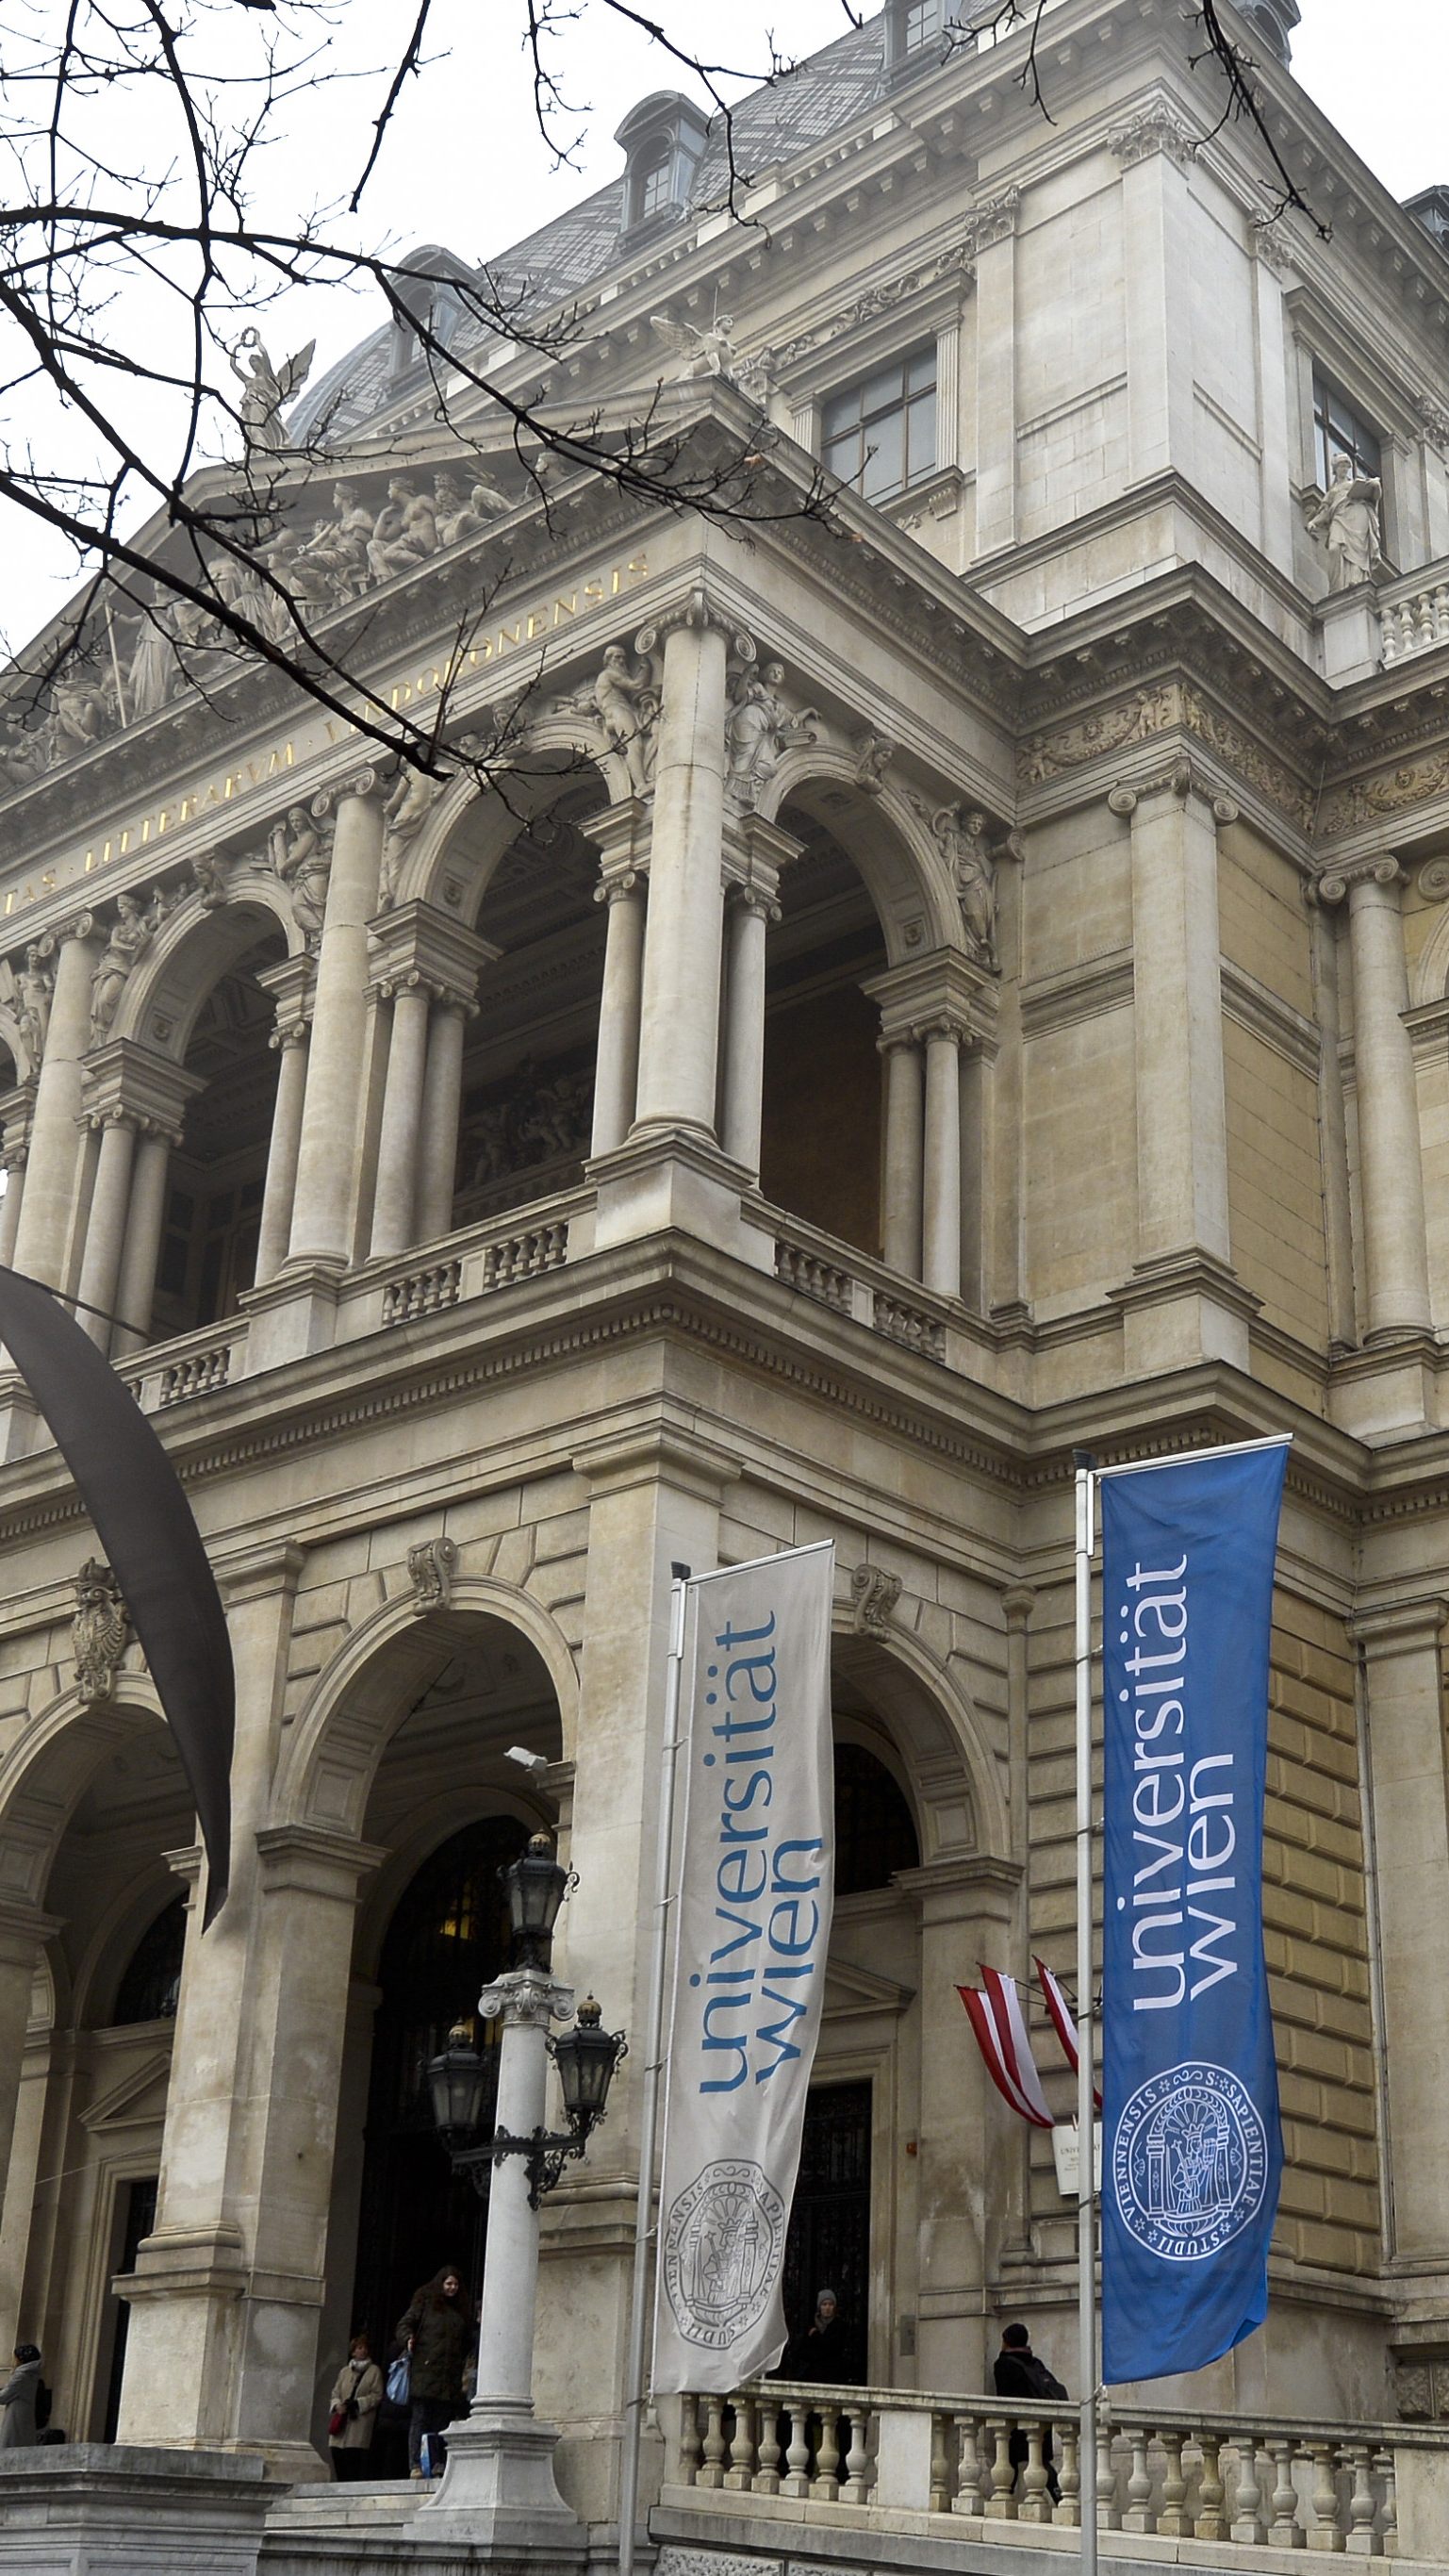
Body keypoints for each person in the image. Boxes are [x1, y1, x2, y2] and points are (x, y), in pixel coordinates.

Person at [395, 2265, 469, 2479]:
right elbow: (404, 2324)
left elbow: (465, 2343)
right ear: (441, 2284)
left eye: (455, 2284)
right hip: (425, 2373)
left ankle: (437, 2463)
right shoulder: (425, 2304)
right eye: (448, 2284)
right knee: (420, 2420)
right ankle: (415, 2464)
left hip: (448, 2378)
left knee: (442, 2423)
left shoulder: (460, 2311)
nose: (452, 2288)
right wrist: (408, 2338)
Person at [994, 2320, 1064, 2503]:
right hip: (1041, 2421)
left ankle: (1004, 2497)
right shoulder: (1034, 2362)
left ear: (1007, 2341)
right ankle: (1061, 2497)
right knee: (1042, 2463)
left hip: (1017, 2424)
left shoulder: (1003, 2364)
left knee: (1009, 2461)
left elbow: (1004, 2396)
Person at [327, 2331, 384, 2481]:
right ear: (353, 2351)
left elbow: (377, 2395)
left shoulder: (374, 2371)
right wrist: (337, 2405)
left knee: (354, 2459)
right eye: (359, 2348)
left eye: (365, 2348)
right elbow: (335, 2392)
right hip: (341, 2423)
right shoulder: (344, 2372)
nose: (362, 2351)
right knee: (338, 2456)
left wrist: (358, 2403)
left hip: (359, 2422)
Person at [782, 2287, 851, 2383]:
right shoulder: (811, 2325)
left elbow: (832, 2348)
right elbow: (804, 2350)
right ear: (819, 2307)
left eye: (830, 2304)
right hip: (813, 2376)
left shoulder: (839, 2326)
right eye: (824, 2304)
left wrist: (816, 2336)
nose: (827, 2308)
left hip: (832, 2376)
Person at [0, 2343, 41, 2449]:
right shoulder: (30, 2375)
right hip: (23, 2417)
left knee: (10, 2446)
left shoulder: (22, 2376)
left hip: (16, 2418)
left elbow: (4, 2396)